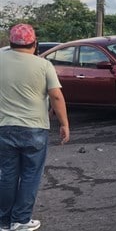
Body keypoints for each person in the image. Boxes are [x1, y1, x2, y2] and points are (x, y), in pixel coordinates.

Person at [0, 24, 70, 231]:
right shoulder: (43, 65)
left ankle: (3, 221)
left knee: (8, 174)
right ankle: (21, 220)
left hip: (4, 128)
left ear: (10, 42)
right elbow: (56, 95)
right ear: (34, 43)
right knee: (30, 174)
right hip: (34, 128)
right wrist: (64, 123)